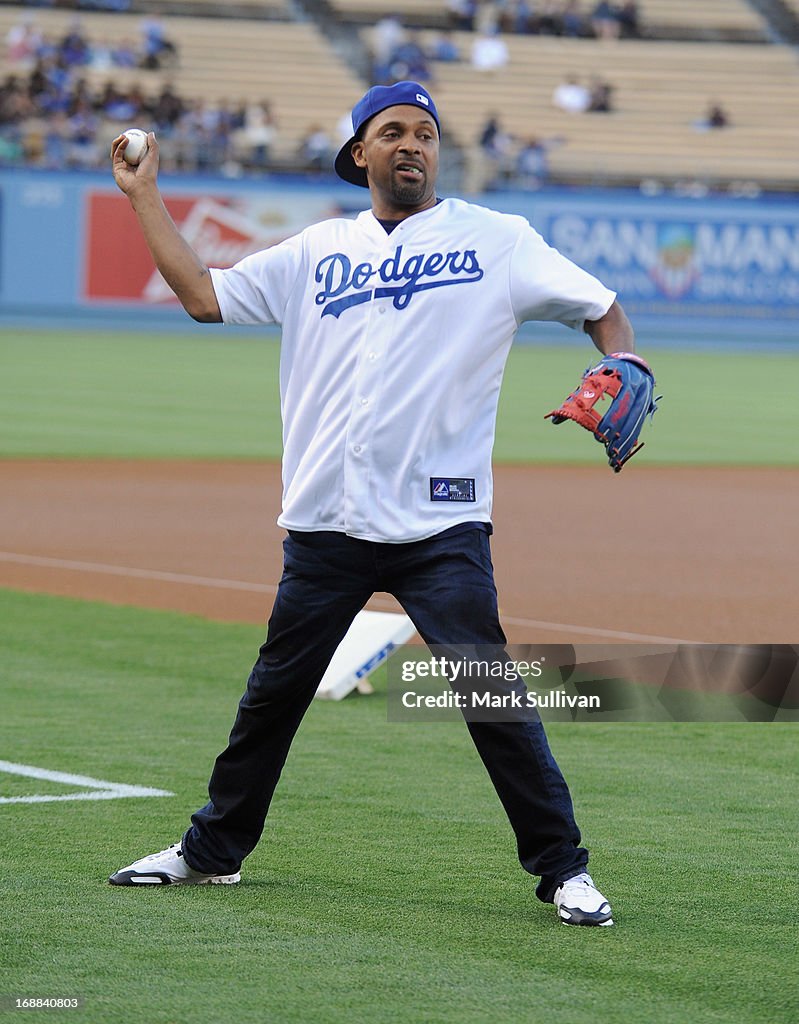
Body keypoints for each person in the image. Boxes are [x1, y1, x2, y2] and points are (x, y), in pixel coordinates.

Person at [107, 80, 634, 928]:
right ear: (360, 154)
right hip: (324, 525)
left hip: (441, 525)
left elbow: (602, 310)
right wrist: (144, 198)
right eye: (392, 131)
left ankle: (563, 871)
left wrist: (624, 365)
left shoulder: (496, 240)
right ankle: (212, 853)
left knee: (489, 696)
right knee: (270, 699)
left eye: (425, 132)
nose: (412, 145)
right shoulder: (318, 250)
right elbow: (206, 297)